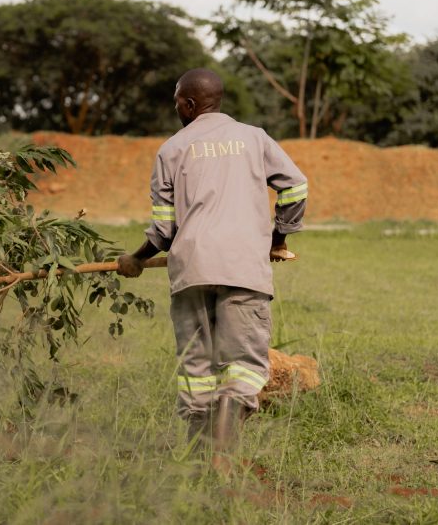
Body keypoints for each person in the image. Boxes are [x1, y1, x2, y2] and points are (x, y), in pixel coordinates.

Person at [116, 67, 307, 455]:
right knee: (244, 365)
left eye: (176, 102)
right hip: (244, 268)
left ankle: (197, 455)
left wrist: (135, 259)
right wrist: (278, 238)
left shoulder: (171, 149)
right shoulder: (255, 138)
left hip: (191, 270)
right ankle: (226, 431)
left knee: (197, 368)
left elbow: (164, 231)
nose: (175, 109)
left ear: (189, 104)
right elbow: (295, 187)